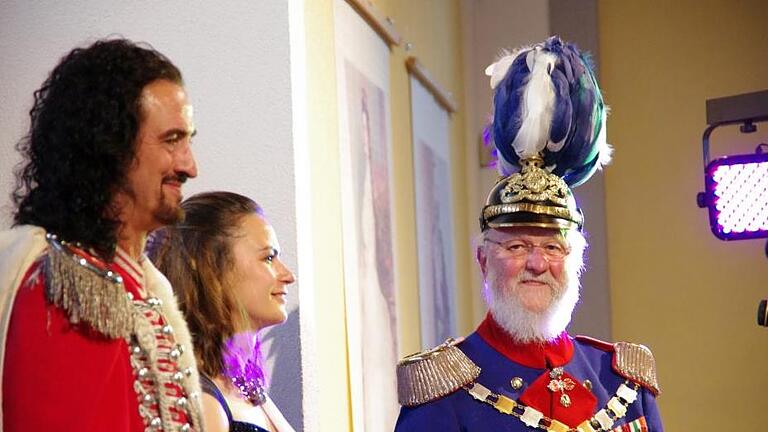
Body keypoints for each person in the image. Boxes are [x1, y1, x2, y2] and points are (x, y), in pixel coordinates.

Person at [394, 36, 664, 431]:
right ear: (483, 259)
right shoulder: (441, 394)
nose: (537, 263)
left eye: (554, 247)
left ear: (576, 261)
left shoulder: (623, 382)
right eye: (517, 245)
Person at [0, 38, 202, 431]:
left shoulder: (145, 285)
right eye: (172, 140)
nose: (190, 166)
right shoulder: (67, 290)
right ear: (110, 148)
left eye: (188, 140)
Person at [148, 191, 296, 432]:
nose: (288, 275)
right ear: (214, 269)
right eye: (268, 258)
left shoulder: (248, 389)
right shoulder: (202, 401)